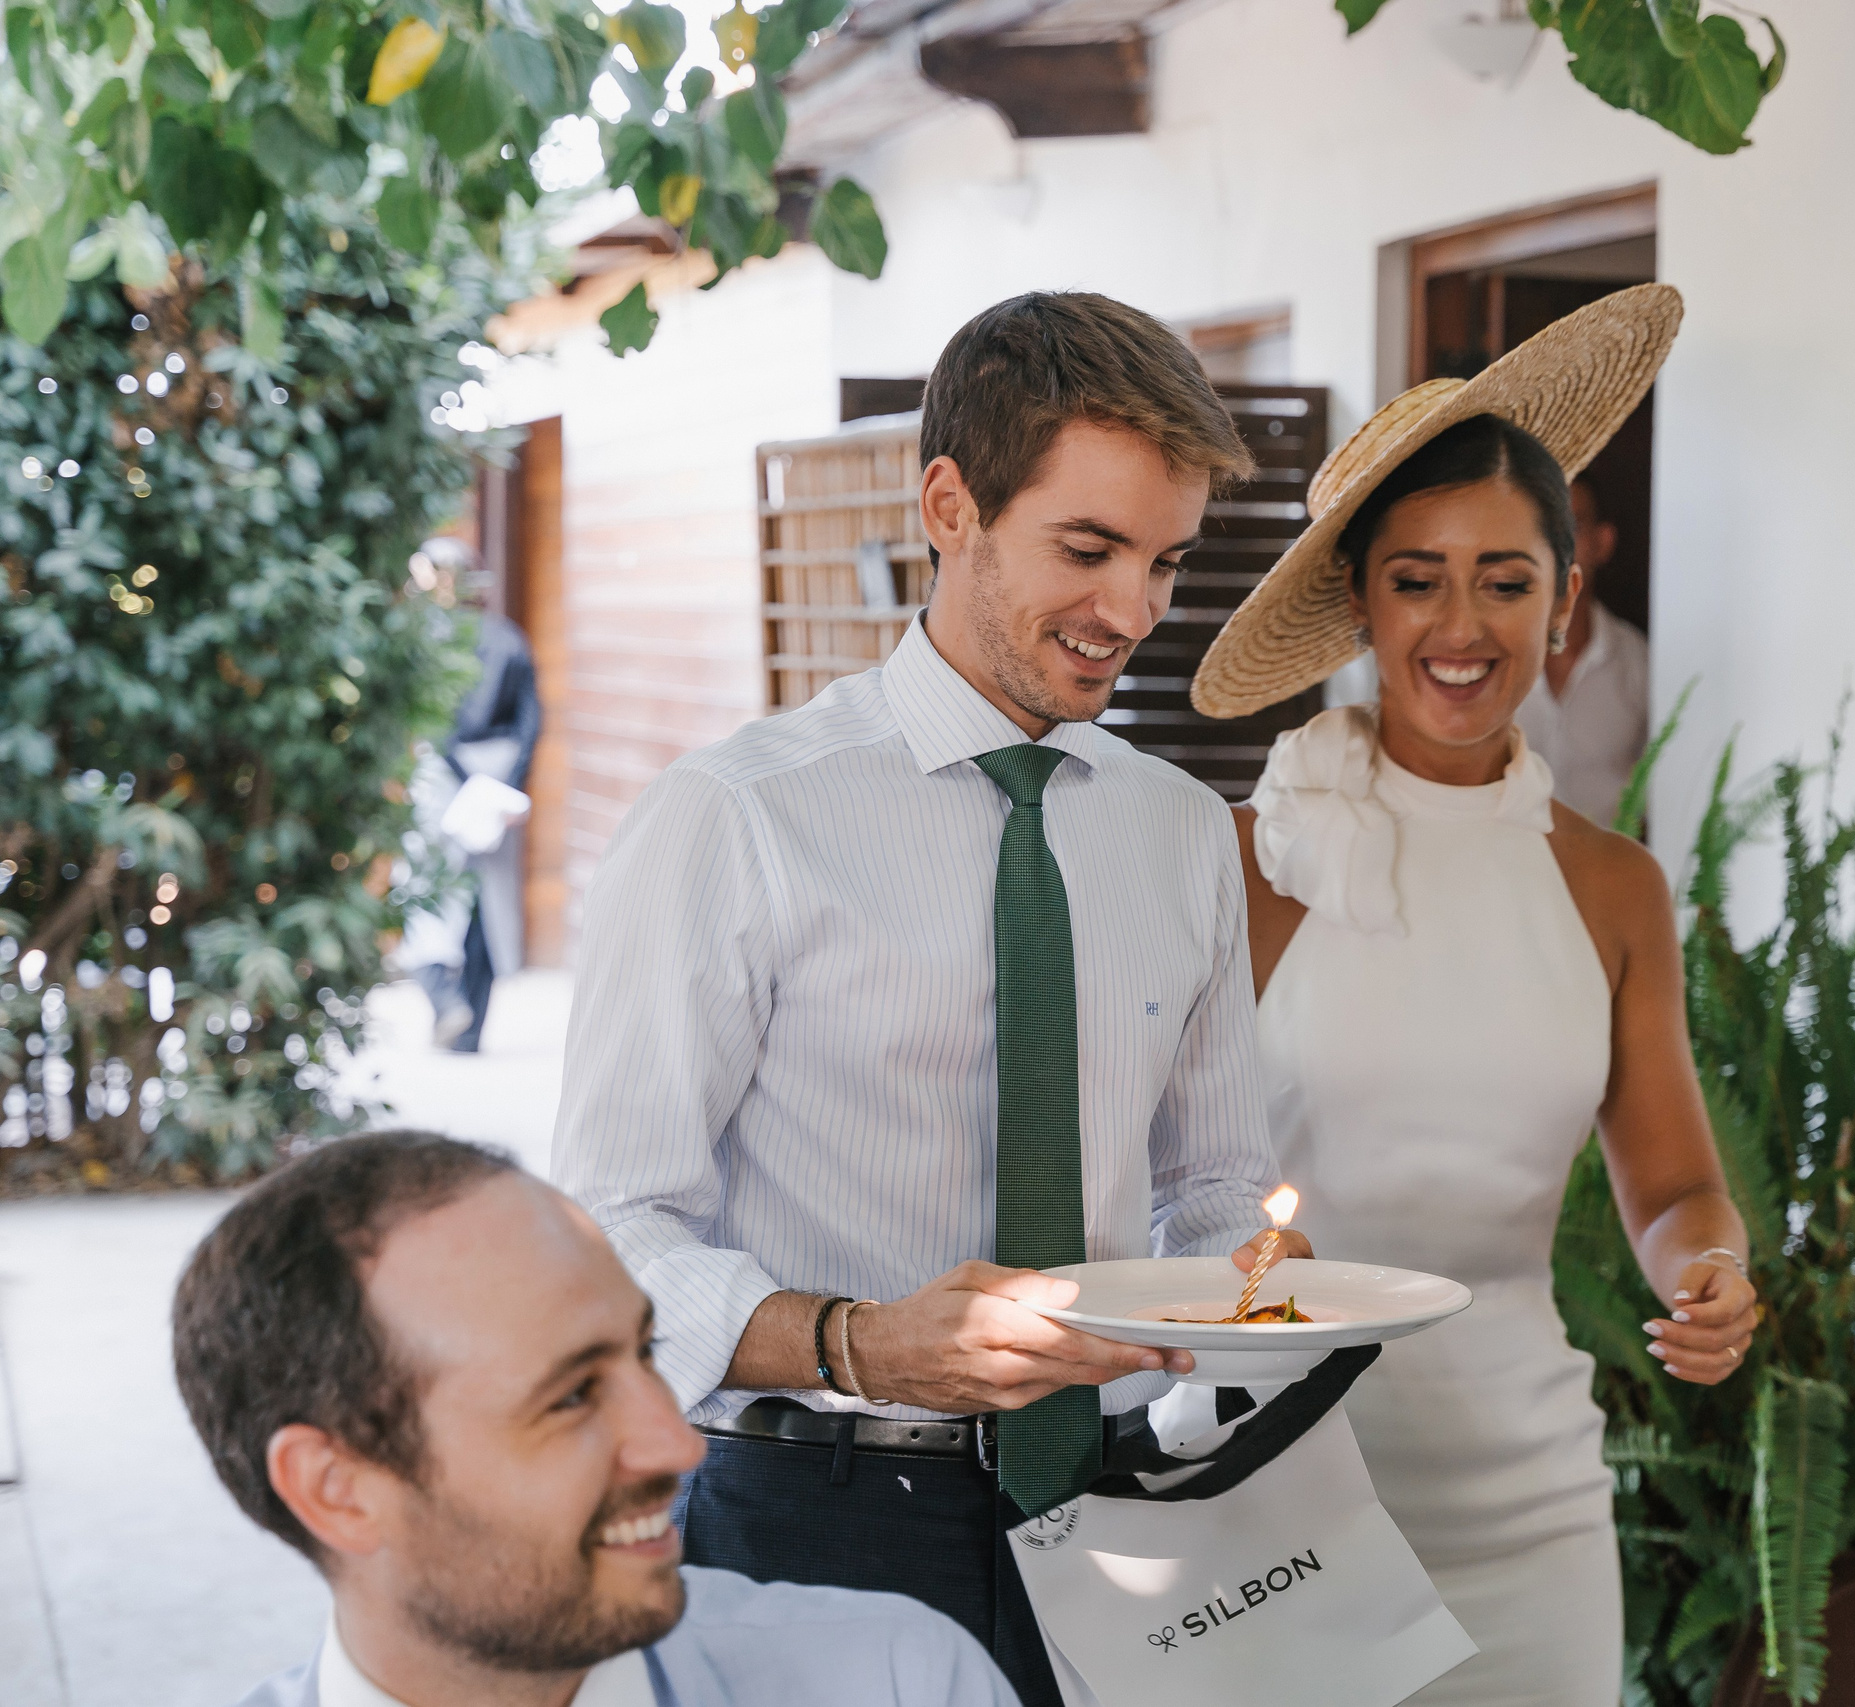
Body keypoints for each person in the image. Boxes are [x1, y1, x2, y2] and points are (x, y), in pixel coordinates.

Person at [549, 292, 1312, 1707]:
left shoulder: (1183, 832)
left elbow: (1216, 1189)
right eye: (1087, 549)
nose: (1134, 611)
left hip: (1126, 1508)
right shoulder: (735, 818)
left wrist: (1267, 1300)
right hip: (815, 1505)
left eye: (1165, 560)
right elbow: (609, 1237)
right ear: (949, 504)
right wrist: (857, 1340)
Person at [1190, 284, 1760, 1706]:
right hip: (1283, 1477)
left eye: (1506, 578)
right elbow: (1148, 1170)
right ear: (1360, 602)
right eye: (1416, 577)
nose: (1463, 623)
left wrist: (1709, 1264)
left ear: (1565, 599)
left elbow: (1676, 1174)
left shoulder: (1616, 886)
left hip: (1534, 1496)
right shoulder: (1256, 860)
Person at [172, 1130, 1018, 1707]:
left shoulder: (895, 1678)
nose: (676, 1442)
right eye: (571, 1396)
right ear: (337, 1490)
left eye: (643, 1354)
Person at [403, 536, 541, 1054]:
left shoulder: (428, 642)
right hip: (495, 783)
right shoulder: (510, 639)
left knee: (425, 888)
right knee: (486, 898)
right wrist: (508, 789)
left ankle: (445, 1002)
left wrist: (466, 777)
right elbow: (533, 723)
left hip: (446, 778)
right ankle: (470, 1028)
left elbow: (432, 724)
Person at [1515, 477, 1651, 824]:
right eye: (1542, 528)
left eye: (1571, 526)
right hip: (1502, 872)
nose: (1554, 545)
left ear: (1601, 543)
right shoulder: (1487, 658)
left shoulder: (1640, 664)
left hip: (1610, 872)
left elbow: (1669, 792)